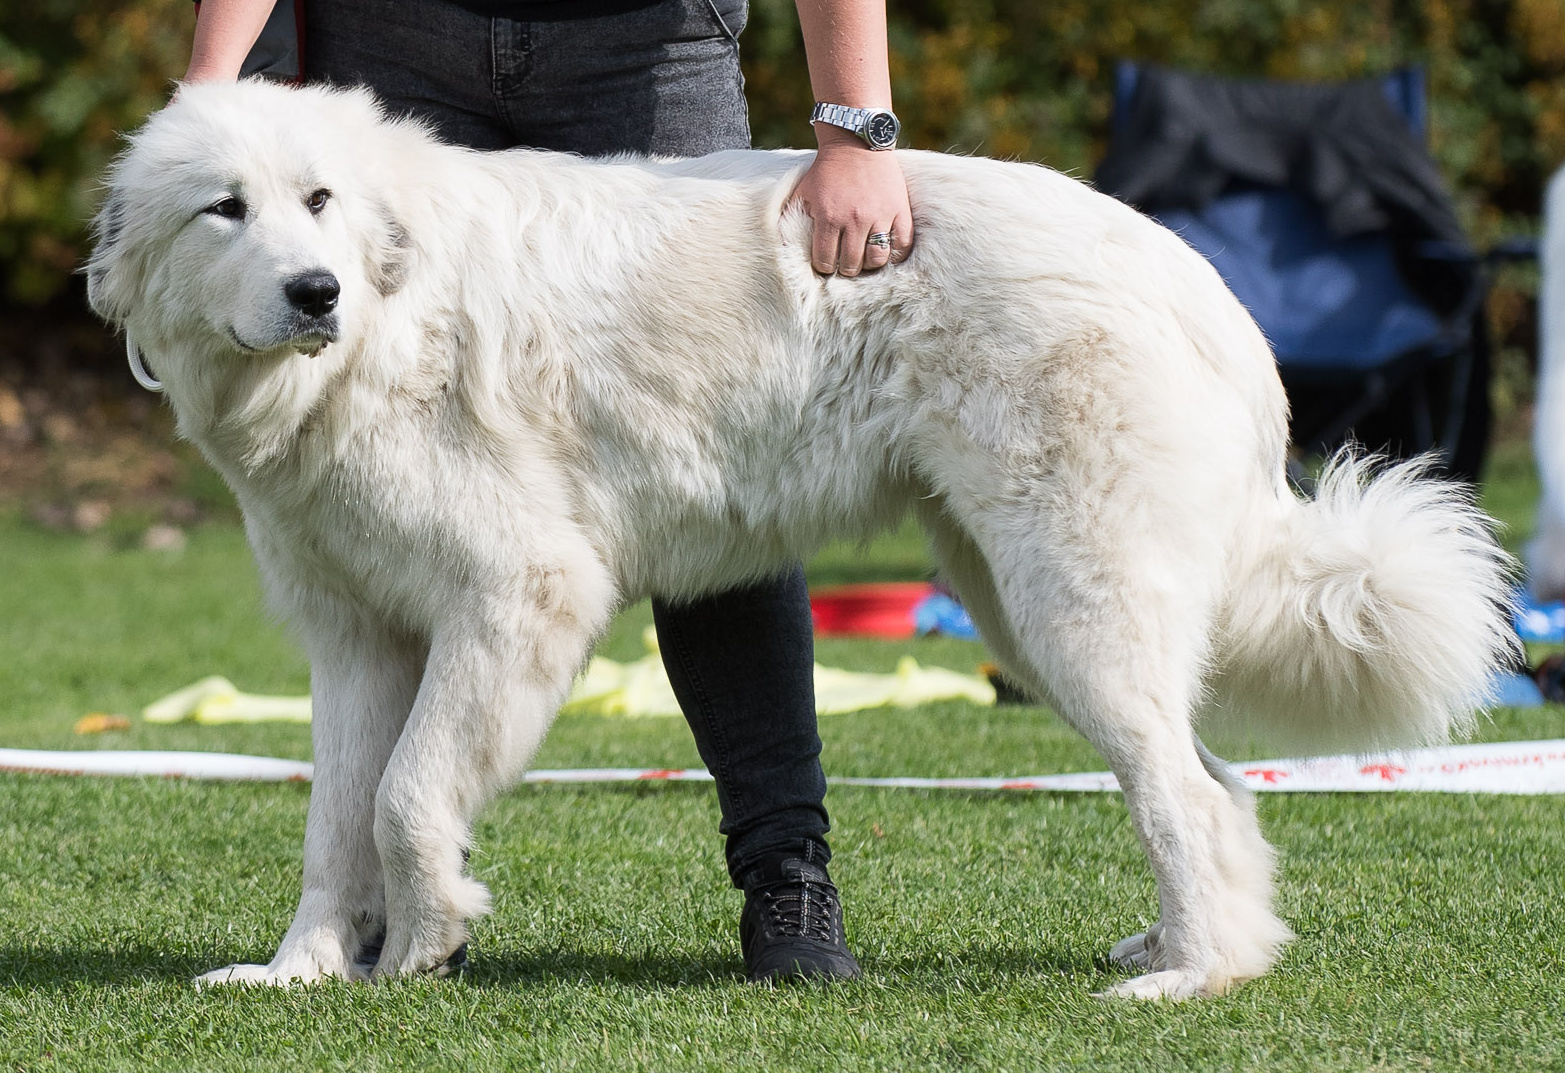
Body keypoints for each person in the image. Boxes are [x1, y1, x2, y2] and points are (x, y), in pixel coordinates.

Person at [183, 0, 914, 983]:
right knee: (363, 519)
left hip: (643, 50)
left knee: (712, 478)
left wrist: (854, 127)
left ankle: (786, 875)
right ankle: (349, 911)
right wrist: (216, 85)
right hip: (393, 50)